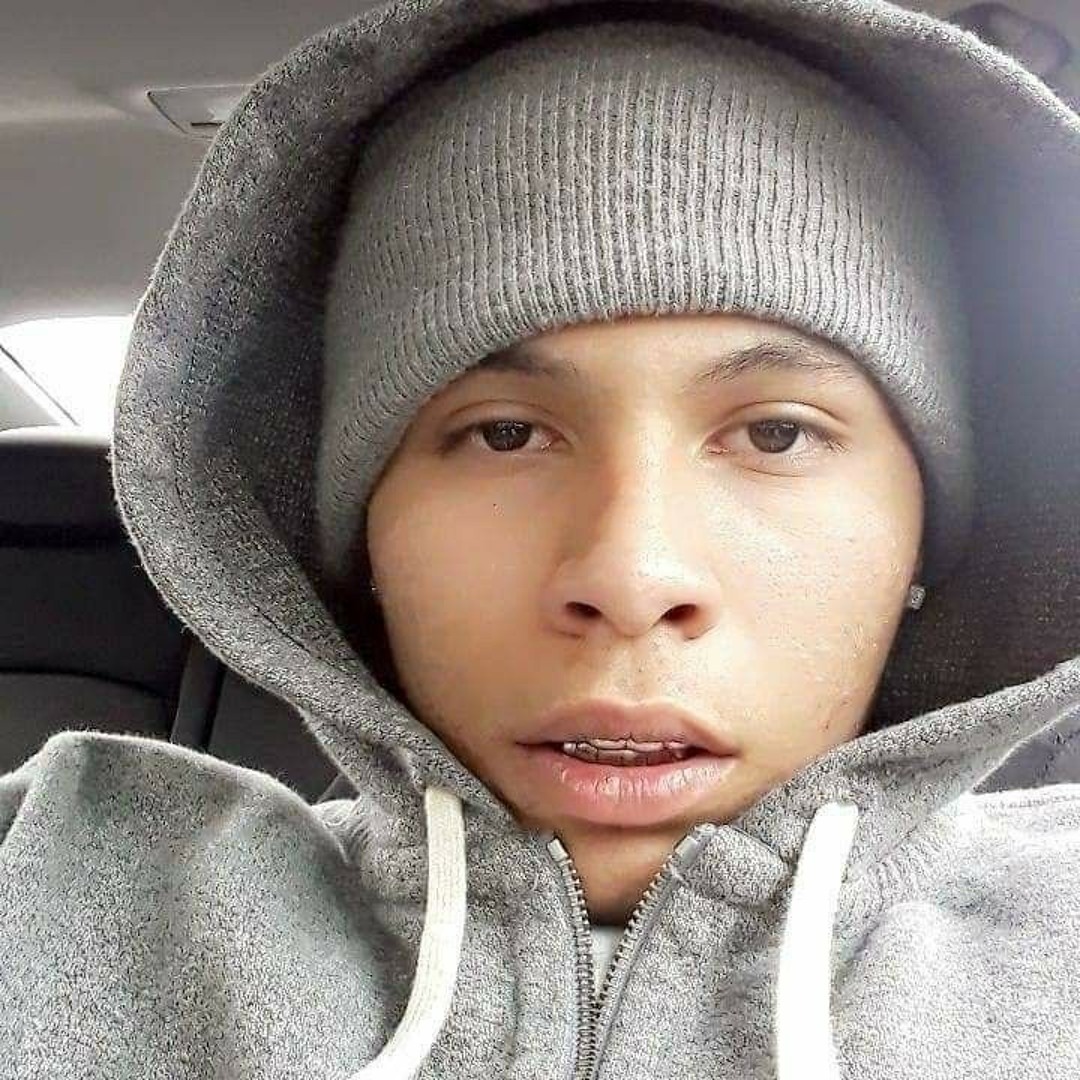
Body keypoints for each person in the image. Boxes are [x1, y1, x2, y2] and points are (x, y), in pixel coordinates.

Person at [2, 0, 1079, 1077]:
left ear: (927, 535)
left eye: (776, 433)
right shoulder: (53, 874)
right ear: (364, 536)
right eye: (505, 434)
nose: (630, 576)